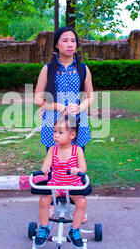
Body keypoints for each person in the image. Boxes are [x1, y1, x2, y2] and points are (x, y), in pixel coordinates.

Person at [33, 115, 92, 249]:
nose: (56, 135)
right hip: (56, 185)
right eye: (54, 131)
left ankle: (74, 230)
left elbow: (83, 167)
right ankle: (44, 228)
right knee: (43, 200)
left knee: (82, 201)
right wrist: (45, 168)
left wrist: (78, 169)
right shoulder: (53, 150)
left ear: (72, 135)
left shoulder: (77, 150)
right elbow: (46, 164)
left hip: (72, 186)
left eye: (60, 132)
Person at [33, 26, 94, 154]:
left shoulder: (83, 69)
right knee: (54, 162)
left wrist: (80, 108)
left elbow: (90, 97)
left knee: (75, 162)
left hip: (77, 122)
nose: (70, 44)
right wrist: (57, 106)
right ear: (56, 45)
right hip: (53, 123)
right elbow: (37, 99)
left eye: (73, 41)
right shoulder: (48, 69)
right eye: (65, 41)